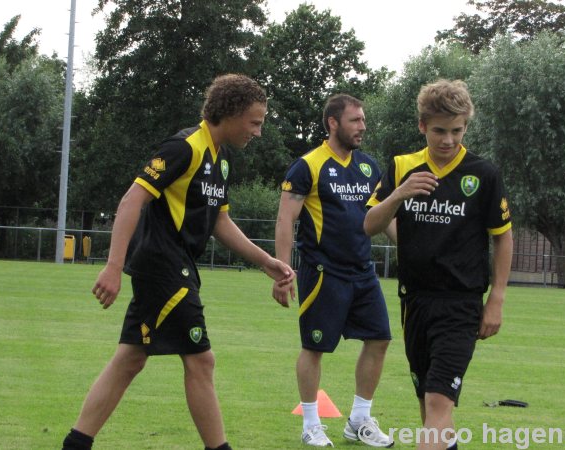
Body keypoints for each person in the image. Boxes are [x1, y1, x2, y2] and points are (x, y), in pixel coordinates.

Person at [62, 74, 295, 450]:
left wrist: (265, 261)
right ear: (231, 113)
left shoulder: (219, 161)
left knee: (131, 359)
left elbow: (220, 221)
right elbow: (131, 201)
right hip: (163, 266)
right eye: (255, 122)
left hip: (178, 266)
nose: (259, 131)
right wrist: (112, 266)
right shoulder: (184, 147)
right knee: (201, 361)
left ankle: (75, 445)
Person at [364, 79, 513, 450]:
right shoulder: (402, 166)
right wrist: (399, 193)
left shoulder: (483, 174)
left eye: (457, 131)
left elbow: (503, 236)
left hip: (460, 305)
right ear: (422, 126)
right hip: (414, 301)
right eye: (439, 131)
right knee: (426, 403)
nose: (448, 140)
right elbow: (368, 226)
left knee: (438, 401)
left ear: (466, 126)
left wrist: (497, 298)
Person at [273, 94, 396, 448]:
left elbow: (383, 218)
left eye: (363, 120)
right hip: (324, 273)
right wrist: (283, 270)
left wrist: (418, 252)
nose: (362, 126)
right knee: (314, 347)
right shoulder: (307, 166)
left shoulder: (370, 167)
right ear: (333, 122)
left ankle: (359, 419)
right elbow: (285, 220)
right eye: (355, 120)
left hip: (364, 273)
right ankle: (311, 424)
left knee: (380, 338)